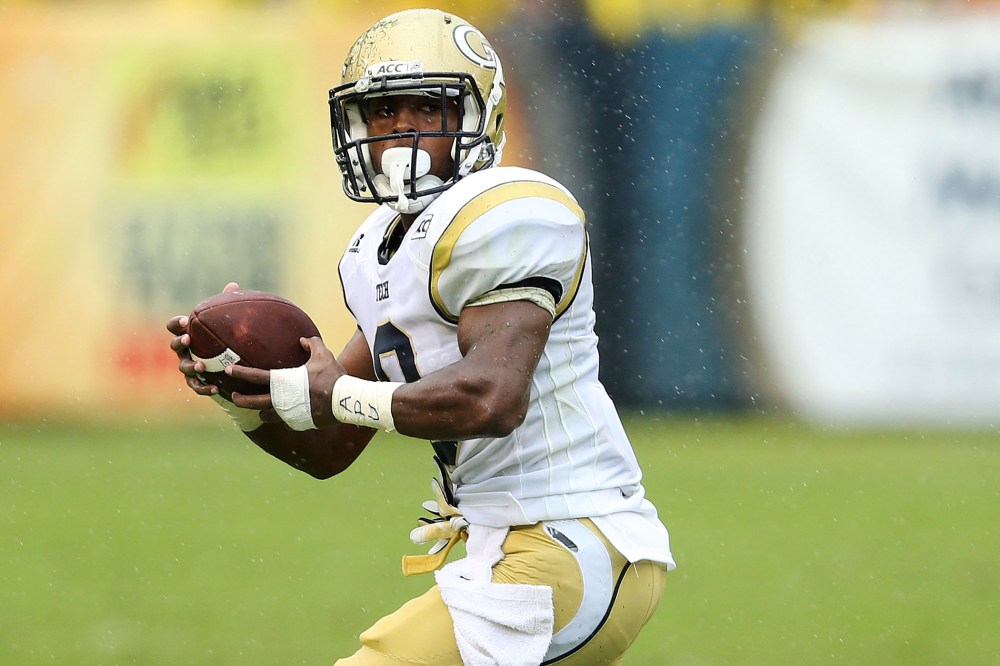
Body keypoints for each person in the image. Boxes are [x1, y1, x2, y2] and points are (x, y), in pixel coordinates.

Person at [167, 8, 674, 665]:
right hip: (515, 547)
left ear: (479, 116)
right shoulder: (375, 250)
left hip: (569, 542)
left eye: (428, 107)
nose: (402, 128)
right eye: (383, 111)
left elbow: (493, 398)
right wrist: (238, 391)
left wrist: (335, 394)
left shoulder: (508, 211)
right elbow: (328, 447)